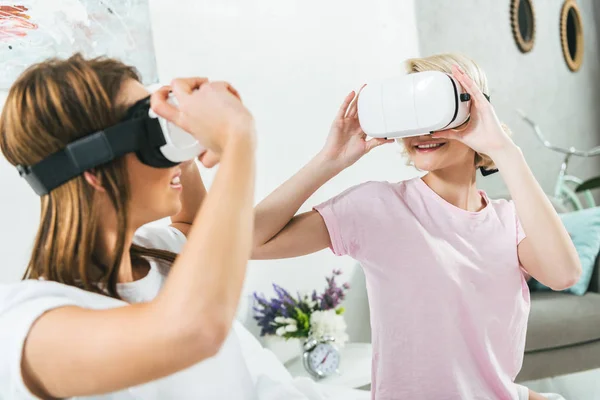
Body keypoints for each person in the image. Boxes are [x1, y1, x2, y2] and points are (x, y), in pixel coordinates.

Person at [250, 54, 580, 400]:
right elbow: (248, 244)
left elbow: (564, 274)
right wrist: (328, 161)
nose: (422, 132)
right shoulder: (377, 207)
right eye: (410, 116)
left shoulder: (509, 220)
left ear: (476, 111)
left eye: (435, 111)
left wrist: (505, 151)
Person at [0, 54, 258, 399]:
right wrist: (238, 138)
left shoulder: (159, 255)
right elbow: (194, 330)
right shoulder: (27, 324)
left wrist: (184, 130)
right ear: (93, 168)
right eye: (153, 131)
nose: (170, 151)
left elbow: (197, 224)